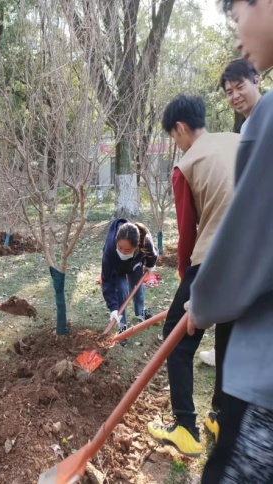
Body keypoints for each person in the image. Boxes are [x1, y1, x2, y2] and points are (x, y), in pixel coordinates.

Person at [187, 0, 273, 481]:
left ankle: (196, 423)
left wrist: (203, 300)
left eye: (238, 13)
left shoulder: (267, 121)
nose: (239, 35)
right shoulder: (246, 128)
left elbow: (250, 236)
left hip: (264, 381)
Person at [147, 96, 240, 458]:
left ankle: (185, 428)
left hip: (213, 259)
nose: (177, 143)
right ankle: (223, 418)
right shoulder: (238, 140)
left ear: (180, 128)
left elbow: (187, 233)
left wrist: (187, 280)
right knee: (228, 337)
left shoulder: (186, 165)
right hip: (254, 260)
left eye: (174, 137)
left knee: (177, 339)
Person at [101, 219, 157, 346]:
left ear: (137, 246)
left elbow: (152, 255)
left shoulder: (145, 242)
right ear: (116, 242)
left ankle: (140, 312)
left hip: (134, 265)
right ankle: (122, 326)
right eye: (120, 247)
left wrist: (150, 265)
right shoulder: (110, 250)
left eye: (127, 250)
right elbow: (107, 280)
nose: (122, 252)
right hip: (117, 268)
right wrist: (113, 308)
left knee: (138, 289)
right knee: (121, 291)